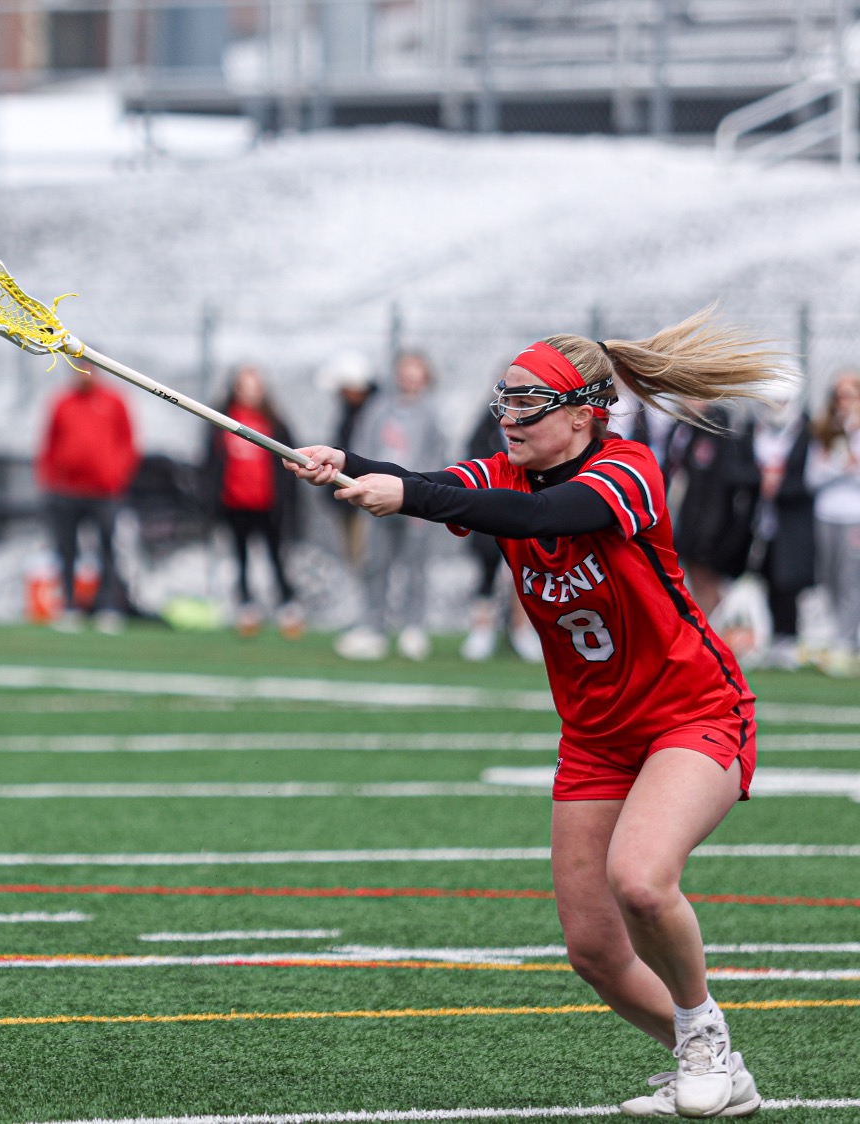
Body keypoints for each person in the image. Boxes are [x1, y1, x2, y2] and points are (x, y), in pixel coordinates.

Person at [289, 309, 779, 1118]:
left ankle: (701, 1041)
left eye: (528, 404)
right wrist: (350, 462)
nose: (508, 418)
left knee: (642, 883)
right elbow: (454, 489)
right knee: (592, 951)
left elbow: (545, 518)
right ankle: (715, 1056)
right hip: (595, 735)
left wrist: (404, 492)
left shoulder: (629, 472)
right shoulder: (503, 475)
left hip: (693, 714)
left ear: (584, 415)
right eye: (503, 400)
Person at [335, 350, 446, 661]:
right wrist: (361, 484)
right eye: (406, 372)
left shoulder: (433, 414)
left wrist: (426, 495)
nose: (411, 379)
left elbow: (438, 457)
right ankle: (373, 627)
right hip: (379, 497)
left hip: (417, 500)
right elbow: (361, 447)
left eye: (417, 372)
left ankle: (413, 628)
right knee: (375, 564)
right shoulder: (379, 408)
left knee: (415, 567)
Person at [35, 358, 138, 633]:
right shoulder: (62, 402)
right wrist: (50, 480)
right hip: (66, 491)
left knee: (107, 549)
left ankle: (109, 606)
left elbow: (128, 442)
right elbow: (49, 443)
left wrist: (117, 475)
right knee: (66, 550)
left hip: (105, 492)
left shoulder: (114, 401)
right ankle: (69, 606)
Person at [201, 363, 302, 638]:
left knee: (276, 558)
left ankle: (287, 608)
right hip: (235, 503)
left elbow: (289, 468)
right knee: (241, 558)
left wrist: (288, 503)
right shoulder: (223, 420)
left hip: (269, 505)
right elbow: (211, 464)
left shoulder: (275, 423)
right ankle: (246, 608)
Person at [459, 398, 542, 663]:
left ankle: (522, 629)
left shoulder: (540, 421)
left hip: (526, 506)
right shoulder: (487, 423)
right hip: (491, 507)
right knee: (487, 568)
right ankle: (482, 629)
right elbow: (474, 455)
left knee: (527, 571)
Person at [662, 403, 760, 615]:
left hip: (707, 526)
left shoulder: (716, 427)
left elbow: (720, 486)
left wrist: (709, 534)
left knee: (707, 583)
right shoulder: (682, 427)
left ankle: (714, 635)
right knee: (694, 582)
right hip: (683, 517)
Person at [749, 385, 816, 670]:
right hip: (760, 521)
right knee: (764, 576)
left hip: (792, 521)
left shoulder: (807, 431)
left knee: (788, 580)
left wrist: (779, 485)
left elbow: (810, 478)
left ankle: (790, 638)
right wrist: (760, 479)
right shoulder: (753, 431)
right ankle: (771, 636)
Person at [806, 369, 860, 676]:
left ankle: (846, 641)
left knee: (852, 578)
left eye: (850, 394)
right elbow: (813, 477)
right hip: (826, 513)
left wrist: (839, 467)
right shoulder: (826, 429)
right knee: (829, 576)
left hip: (854, 515)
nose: (844, 401)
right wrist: (843, 467)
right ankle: (834, 635)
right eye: (839, 395)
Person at [319, 352, 377, 567]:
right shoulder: (348, 412)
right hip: (347, 491)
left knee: (365, 555)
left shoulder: (374, 413)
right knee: (353, 554)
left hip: (366, 491)